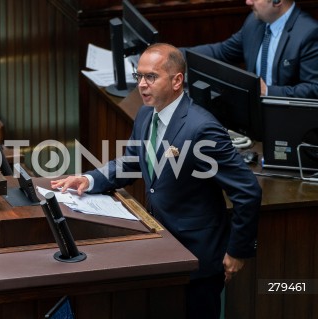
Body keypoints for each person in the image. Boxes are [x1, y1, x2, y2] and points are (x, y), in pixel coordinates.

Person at [51, 43, 262, 319]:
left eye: (151, 77)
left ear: (177, 81)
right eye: (139, 76)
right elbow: (132, 162)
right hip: (162, 247)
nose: (142, 85)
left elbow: (248, 191)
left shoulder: (202, 128)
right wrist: (89, 179)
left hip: (197, 258)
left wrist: (237, 251)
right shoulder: (145, 115)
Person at [181, 0, 318, 98]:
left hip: (287, 119)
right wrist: (174, 55)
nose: (248, 2)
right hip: (253, 114)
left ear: (277, 1)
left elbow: (314, 88)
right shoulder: (254, 22)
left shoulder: (308, 33)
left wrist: (268, 91)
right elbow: (221, 52)